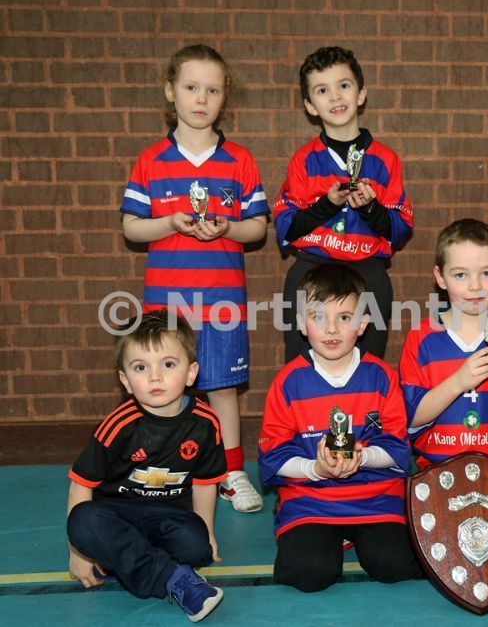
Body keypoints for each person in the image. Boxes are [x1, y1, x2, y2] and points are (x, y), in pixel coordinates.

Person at [120, 44, 269, 513]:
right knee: (162, 389)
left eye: (212, 90)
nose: (201, 99)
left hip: (223, 301)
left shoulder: (239, 160)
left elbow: (258, 227)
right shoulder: (151, 160)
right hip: (165, 305)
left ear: (225, 97)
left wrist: (228, 228)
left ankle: (231, 473)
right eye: (191, 87)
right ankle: (159, 472)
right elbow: (131, 227)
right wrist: (168, 223)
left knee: (222, 389)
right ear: (171, 91)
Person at [258, 263, 421, 592]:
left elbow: (397, 447)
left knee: (395, 565)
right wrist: (315, 468)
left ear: (362, 323)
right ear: (301, 323)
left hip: (376, 497)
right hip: (311, 499)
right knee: (309, 573)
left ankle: (354, 534)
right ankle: (326, 535)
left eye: (344, 317)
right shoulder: (288, 383)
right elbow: (273, 453)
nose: (331, 329)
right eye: (318, 317)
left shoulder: (382, 378)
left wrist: (362, 458)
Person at [67, 310, 227, 622]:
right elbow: (81, 484)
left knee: (196, 548)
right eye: (141, 367)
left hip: (168, 515)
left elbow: (205, 482)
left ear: (191, 372)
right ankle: (177, 580)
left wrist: (208, 533)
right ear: (125, 380)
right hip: (115, 514)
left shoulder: (206, 423)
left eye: (168, 364)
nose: (155, 377)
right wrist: (78, 552)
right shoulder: (119, 425)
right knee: (83, 522)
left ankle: (133, 559)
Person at [274, 45, 413, 363]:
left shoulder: (386, 159)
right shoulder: (303, 160)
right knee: (301, 369)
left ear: (361, 94)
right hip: (311, 272)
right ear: (310, 105)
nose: (335, 96)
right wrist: (328, 204)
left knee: (368, 370)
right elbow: (287, 227)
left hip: (368, 275)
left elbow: (400, 229)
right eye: (322, 90)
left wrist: (369, 209)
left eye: (344, 85)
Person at [399, 219, 488, 469]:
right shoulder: (421, 338)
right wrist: (459, 381)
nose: (476, 286)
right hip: (437, 469)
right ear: (441, 278)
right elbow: (410, 419)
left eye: (487, 273)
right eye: (461, 275)